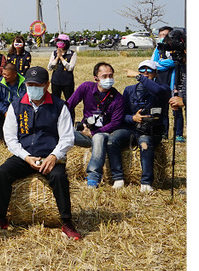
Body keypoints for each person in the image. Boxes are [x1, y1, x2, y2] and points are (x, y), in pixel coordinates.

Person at [0, 66, 81, 240]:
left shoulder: (59, 106)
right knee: (3, 172)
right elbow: (10, 138)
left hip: (49, 156)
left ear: (46, 85)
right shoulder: (16, 105)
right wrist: (26, 157)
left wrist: (54, 156)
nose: (33, 88)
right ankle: (0, 217)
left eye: (37, 85)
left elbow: (67, 138)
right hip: (25, 155)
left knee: (59, 177)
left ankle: (67, 222)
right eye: (29, 84)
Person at [65, 62, 127, 188]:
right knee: (60, 133)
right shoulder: (86, 87)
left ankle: (93, 176)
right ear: (96, 78)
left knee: (98, 138)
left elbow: (115, 123)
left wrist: (93, 133)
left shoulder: (118, 98)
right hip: (84, 132)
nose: (108, 79)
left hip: (104, 134)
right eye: (104, 76)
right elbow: (69, 105)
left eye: (111, 76)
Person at [114, 59, 171, 192]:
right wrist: (133, 118)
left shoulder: (163, 89)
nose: (145, 73)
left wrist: (138, 76)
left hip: (151, 131)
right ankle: (117, 177)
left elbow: (156, 90)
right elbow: (122, 115)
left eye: (149, 70)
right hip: (132, 129)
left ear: (156, 74)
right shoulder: (129, 90)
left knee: (145, 142)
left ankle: (146, 182)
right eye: (142, 70)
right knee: (113, 139)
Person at [153, 26, 184, 142]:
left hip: (175, 81)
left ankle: (179, 134)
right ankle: (164, 133)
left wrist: (166, 63)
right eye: (161, 35)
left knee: (176, 108)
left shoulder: (178, 49)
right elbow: (154, 64)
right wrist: (167, 63)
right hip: (162, 81)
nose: (163, 38)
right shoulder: (158, 49)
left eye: (166, 35)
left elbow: (178, 62)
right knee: (162, 109)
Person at [0, 62, 26, 144]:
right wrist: (5, 111)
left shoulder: (24, 83)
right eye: (3, 74)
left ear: (15, 74)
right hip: (4, 110)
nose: (4, 76)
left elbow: (27, 99)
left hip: (19, 110)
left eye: (7, 75)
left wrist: (15, 111)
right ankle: (4, 139)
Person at [47, 33, 77, 102]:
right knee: (55, 101)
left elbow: (70, 68)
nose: (59, 43)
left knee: (70, 101)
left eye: (62, 41)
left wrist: (61, 57)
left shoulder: (72, 54)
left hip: (67, 82)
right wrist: (57, 57)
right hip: (56, 81)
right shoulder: (54, 53)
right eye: (58, 41)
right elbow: (49, 67)